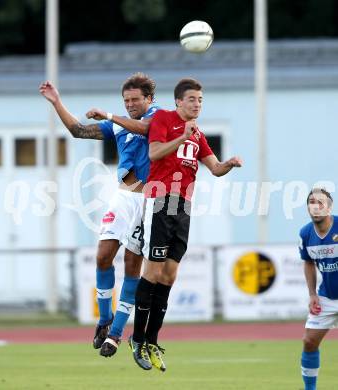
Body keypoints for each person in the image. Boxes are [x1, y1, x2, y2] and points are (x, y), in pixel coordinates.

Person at [39, 73, 159, 358]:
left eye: (135, 100)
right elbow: (79, 130)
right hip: (124, 196)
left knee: (132, 267)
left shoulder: (159, 117)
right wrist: (57, 103)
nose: (129, 104)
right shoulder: (118, 125)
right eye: (126, 101)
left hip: (150, 202)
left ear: (149, 99)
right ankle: (104, 320)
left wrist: (110, 115)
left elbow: (145, 129)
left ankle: (116, 333)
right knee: (103, 256)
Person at [128, 78, 242, 372]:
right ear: (178, 101)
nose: (197, 104)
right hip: (160, 201)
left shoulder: (198, 133)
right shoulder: (165, 119)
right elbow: (154, 153)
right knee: (152, 272)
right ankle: (137, 338)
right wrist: (182, 137)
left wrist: (227, 164)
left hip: (183, 207)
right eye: (191, 99)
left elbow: (214, 168)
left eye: (200, 100)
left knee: (169, 275)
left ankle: (152, 340)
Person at [299, 188, 338, 390]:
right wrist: (312, 294)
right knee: (309, 342)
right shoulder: (305, 233)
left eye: (320, 202)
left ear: (329, 207)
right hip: (326, 297)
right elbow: (307, 263)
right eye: (311, 202)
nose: (315, 206)